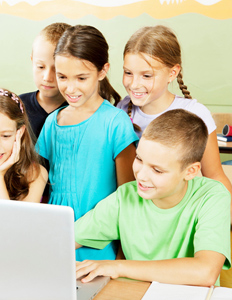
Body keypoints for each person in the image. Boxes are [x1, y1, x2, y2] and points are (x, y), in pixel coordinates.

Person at [75, 109, 231, 286]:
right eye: (139, 159)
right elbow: (66, 239)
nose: (141, 176)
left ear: (190, 171)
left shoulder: (212, 196)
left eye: (157, 170)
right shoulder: (126, 195)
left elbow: (205, 272)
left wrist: (118, 267)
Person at [36, 25, 138, 261]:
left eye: (81, 78)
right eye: (62, 77)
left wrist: (123, 258)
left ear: (103, 71)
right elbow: (37, 182)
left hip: (99, 248)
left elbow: (128, 197)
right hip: (55, 242)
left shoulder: (116, 123)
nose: (70, 88)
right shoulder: (52, 123)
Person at [117, 25, 232, 221]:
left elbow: (214, 175)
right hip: (137, 217)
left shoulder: (196, 114)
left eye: (146, 75)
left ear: (172, 73)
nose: (134, 84)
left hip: (181, 217)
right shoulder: (121, 110)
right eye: (128, 73)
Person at [19, 22, 70, 140]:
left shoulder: (79, 110)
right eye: (41, 67)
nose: (47, 77)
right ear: (32, 60)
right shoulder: (18, 106)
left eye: (56, 69)